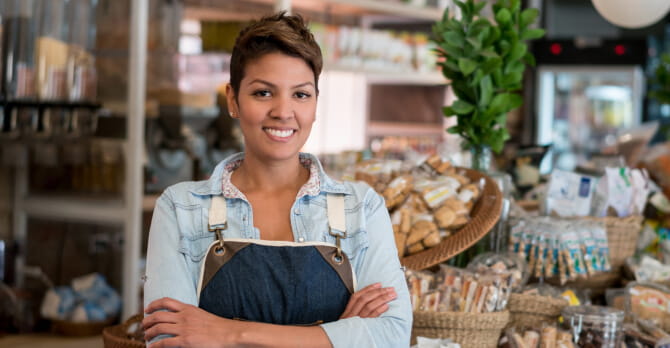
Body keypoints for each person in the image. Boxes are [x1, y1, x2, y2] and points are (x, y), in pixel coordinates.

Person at [142, 12, 412, 348]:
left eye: (300, 95)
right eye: (263, 93)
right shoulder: (181, 207)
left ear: (315, 104)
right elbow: (169, 340)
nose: (283, 112)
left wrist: (228, 333)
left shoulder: (361, 207)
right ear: (232, 99)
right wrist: (336, 335)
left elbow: (391, 336)